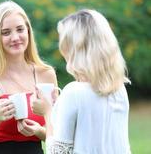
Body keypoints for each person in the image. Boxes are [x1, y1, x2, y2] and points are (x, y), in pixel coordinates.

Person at [32, 9, 131, 153]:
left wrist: (47, 112)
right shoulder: (119, 90)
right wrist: (56, 110)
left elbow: (58, 152)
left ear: (74, 49)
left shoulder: (74, 92)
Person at [0, 0, 58, 154]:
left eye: (20, 29)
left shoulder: (46, 74)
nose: (15, 37)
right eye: (6, 32)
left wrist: (38, 131)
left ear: (28, 31)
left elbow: (59, 136)